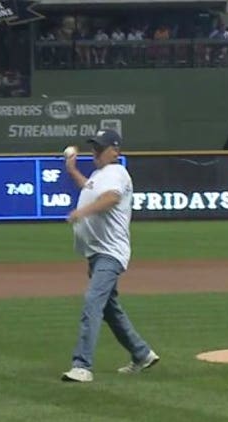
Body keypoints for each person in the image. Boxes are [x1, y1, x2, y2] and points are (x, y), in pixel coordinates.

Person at [61, 129, 159, 383]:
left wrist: (82, 213)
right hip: (96, 252)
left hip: (110, 253)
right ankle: (142, 353)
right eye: (94, 145)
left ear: (114, 151)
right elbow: (91, 188)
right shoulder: (100, 174)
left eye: (100, 147)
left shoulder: (117, 172)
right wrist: (72, 171)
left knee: (93, 301)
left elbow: (111, 198)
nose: (95, 150)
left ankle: (82, 365)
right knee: (109, 309)